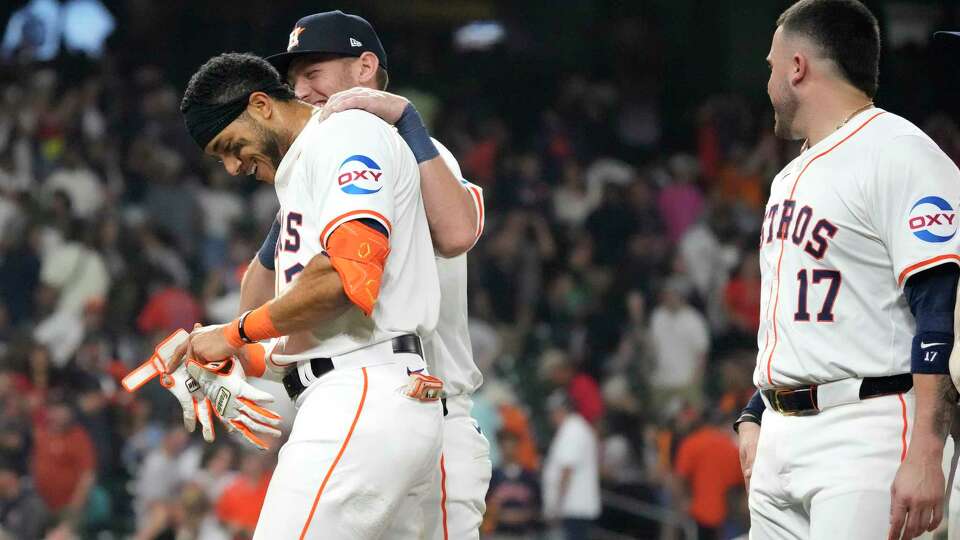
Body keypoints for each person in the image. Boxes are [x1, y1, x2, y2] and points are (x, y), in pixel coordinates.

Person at [241, 11, 491, 540]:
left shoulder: (412, 148)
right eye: (293, 81)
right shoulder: (325, 167)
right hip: (368, 403)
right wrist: (295, 200)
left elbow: (457, 233)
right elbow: (254, 297)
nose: (301, 90)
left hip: (435, 406)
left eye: (314, 72)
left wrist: (408, 120)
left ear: (364, 67)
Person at [174, 52, 444, 539]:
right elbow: (309, 334)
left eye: (231, 146)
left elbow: (344, 281)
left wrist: (233, 335)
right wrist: (219, 354)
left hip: (363, 395)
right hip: (368, 390)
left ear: (261, 105)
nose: (233, 167)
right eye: (221, 158)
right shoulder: (300, 170)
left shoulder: (343, 136)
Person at [736, 1, 960, 539]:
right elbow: (798, 319)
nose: (767, 82)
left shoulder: (900, 152)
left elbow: (940, 306)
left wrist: (927, 449)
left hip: (870, 427)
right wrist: (756, 410)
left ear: (797, 67)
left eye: (771, 66)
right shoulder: (788, 177)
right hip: (782, 435)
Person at [673, 408, 742, 540]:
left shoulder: (691, 443)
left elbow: (680, 477)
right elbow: (740, 482)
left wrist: (683, 502)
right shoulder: (730, 446)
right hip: (726, 516)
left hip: (698, 514)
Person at [541, 391, 600, 540]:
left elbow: (567, 470)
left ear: (561, 410)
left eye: (552, 412)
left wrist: (555, 507)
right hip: (572, 507)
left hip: (573, 507)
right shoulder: (573, 428)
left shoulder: (573, 430)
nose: (551, 417)